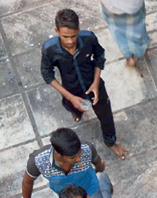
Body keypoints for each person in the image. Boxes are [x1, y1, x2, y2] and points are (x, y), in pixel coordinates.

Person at [41, 9, 127, 159]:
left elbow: (100, 56)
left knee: (105, 115)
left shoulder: (88, 39)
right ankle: (76, 112)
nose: (69, 41)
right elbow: (47, 74)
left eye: (73, 36)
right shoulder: (50, 49)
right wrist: (71, 97)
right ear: (56, 31)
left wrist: (95, 83)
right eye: (65, 36)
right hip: (70, 90)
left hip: (94, 87)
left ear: (78, 30)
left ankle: (110, 142)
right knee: (71, 106)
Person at [23, 129, 113, 198]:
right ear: (58, 154)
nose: (79, 159)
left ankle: (103, 181)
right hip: (68, 197)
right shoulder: (38, 161)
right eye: (73, 157)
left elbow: (98, 162)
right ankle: (104, 180)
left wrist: (100, 168)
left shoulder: (87, 148)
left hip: (90, 188)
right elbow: (27, 182)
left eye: (79, 153)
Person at [101, 0, 149, 67]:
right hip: (133, 7)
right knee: (137, 28)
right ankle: (140, 50)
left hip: (111, 7)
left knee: (118, 33)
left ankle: (128, 57)